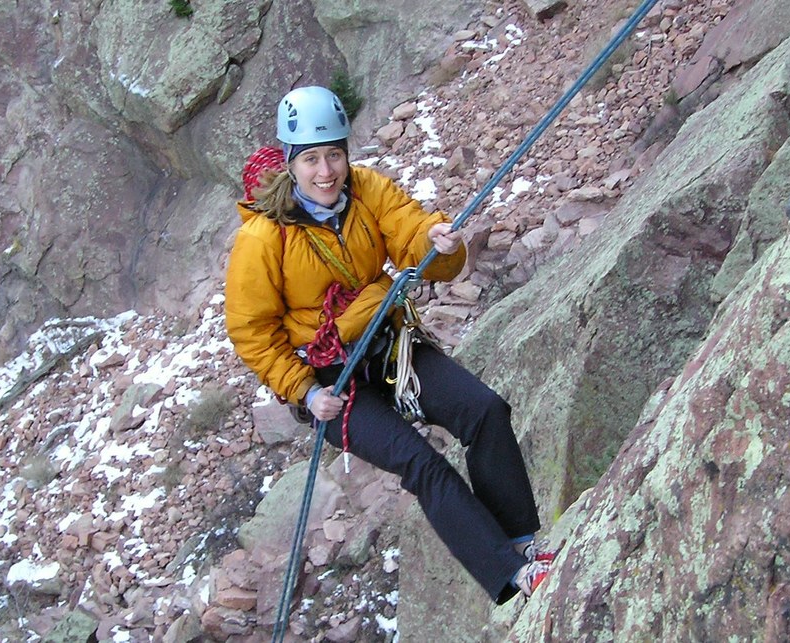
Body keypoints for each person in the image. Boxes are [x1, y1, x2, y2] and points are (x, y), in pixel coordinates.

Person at [225, 86, 549, 604]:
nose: (326, 171)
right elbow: (252, 332)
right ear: (290, 163)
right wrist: (306, 393)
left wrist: (435, 243)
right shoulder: (264, 238)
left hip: (386, 346)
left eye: (334, 154)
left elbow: (408, 228)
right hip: (331, 380)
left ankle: (522, 543)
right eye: (311, 159)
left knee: (484, 410)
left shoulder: (366, 190)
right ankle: (511, 576)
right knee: (422, 463)